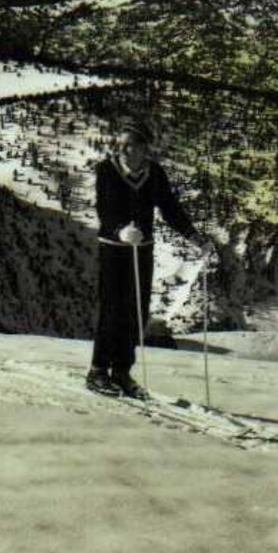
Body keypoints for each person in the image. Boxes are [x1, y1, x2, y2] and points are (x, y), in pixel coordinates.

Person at [87, 120, 205, 398]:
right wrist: (121, 229)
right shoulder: (107, 170)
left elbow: (170, 208)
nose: (125, 150)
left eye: (131, 145)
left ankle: (122, 371)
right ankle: (98, 370)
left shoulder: (154, 174)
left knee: (136, 311)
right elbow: (105, 208)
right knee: (112, 309)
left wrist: (194, 236)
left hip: (142, 250)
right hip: (114, 249)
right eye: (122, 145)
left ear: (144, 148)